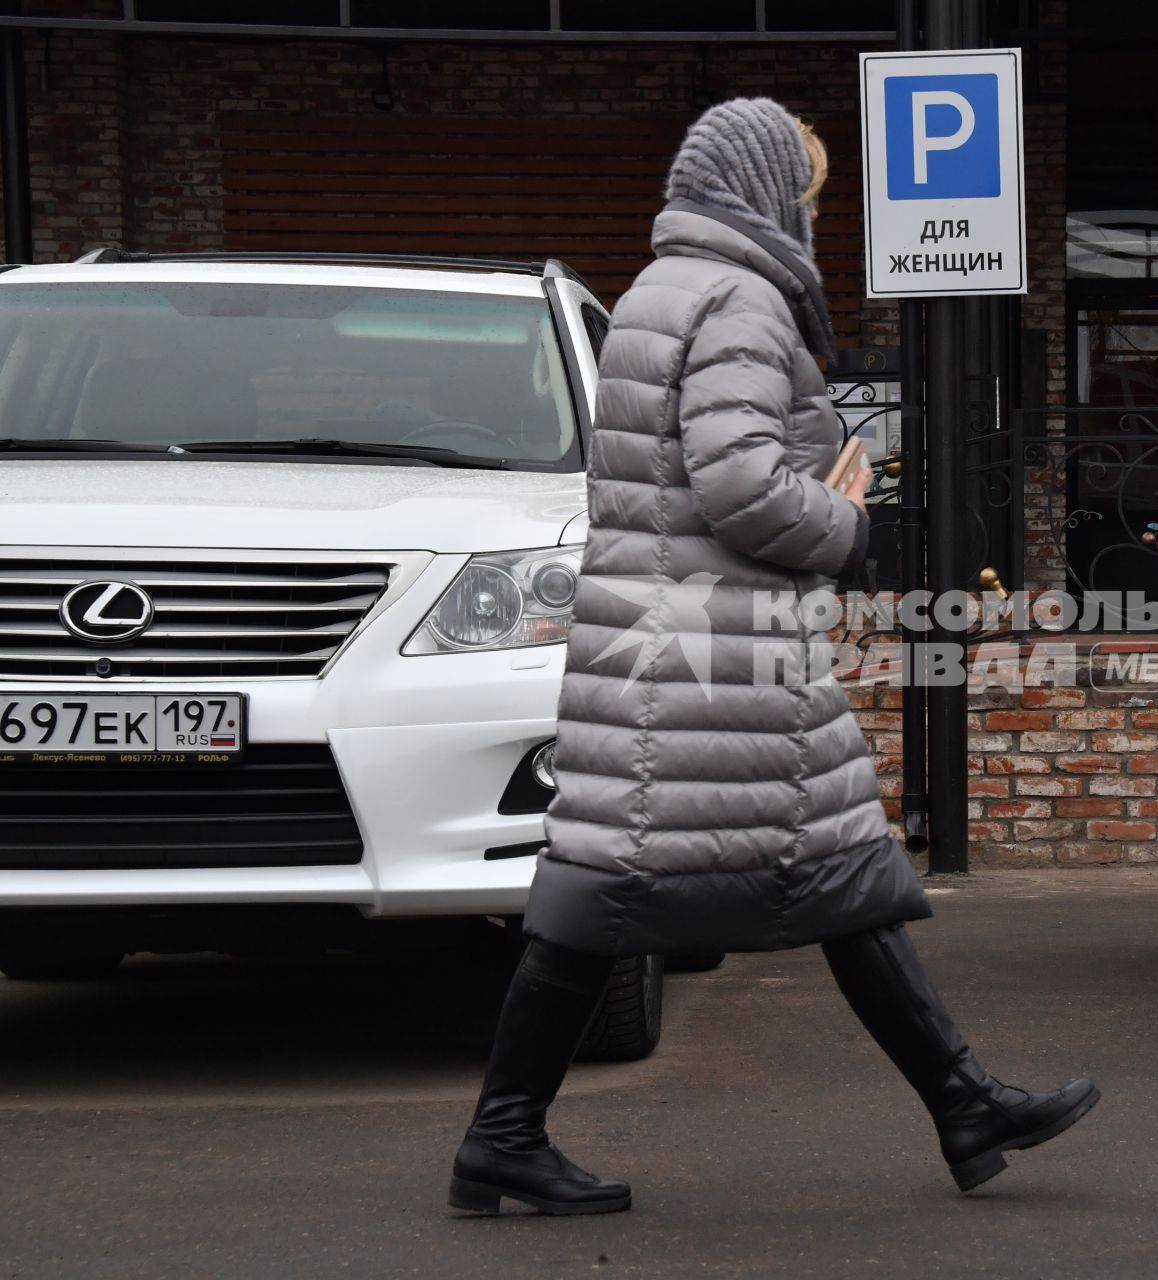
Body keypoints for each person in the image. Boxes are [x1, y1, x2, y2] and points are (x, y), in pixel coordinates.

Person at [448, 98, 1100, 1217]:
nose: (813, 213)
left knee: (811, 864)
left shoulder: (664, 287)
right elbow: (740, 482)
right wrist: (841, 514)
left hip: (675, 642)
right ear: (759, 192)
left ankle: (962, 1100)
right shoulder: (740, 298)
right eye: (806, 192)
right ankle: (501, 1136)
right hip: (716, 645)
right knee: (640, 880)